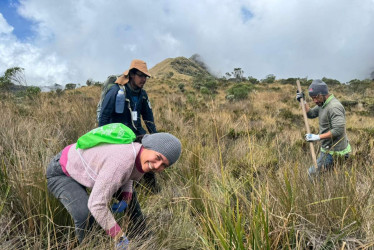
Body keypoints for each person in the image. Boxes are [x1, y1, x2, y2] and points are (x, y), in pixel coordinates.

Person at [46, 132, 182, 247]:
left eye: (164, 165)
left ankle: (142, 236)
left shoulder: (140, 153)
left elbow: (129, 174)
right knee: (84, 215)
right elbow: (97, 205)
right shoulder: (121, 160)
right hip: (63, 171)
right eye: (158, 157)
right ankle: (90, 246)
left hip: (90, 170)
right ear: (147, 146)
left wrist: (126, 197)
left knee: (130, 197)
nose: (157, 166)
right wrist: (119, 236)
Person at [296, 79, 351, 178]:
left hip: (335, 151)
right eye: (312, 98)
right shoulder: (323, 104)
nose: (315, 101)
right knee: (330, 176)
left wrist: (317, 137)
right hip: (328, 148)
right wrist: (303, 101)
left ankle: (312, 193)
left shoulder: (334, 107)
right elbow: (310, 114)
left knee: (312, 174)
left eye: (316, 98)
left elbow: (338, 130)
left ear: (323, 94)